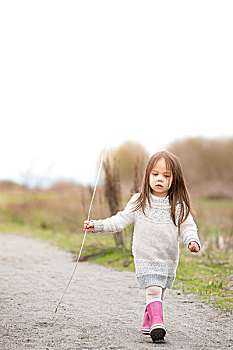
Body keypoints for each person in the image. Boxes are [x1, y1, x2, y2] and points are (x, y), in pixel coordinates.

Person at [84, 151, 201, 343]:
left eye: (166, 176)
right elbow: (119, 221)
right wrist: (97, 225)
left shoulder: (178, 205)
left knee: (160, 291)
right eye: (155, 174)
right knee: (153, 290)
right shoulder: (139, 201)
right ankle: (158, 323)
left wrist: (192, 241)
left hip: (168, 257)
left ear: (175, 179)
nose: (159, 179)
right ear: (147, 176)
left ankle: (149, 322)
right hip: (145, 256)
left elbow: (188, 227)